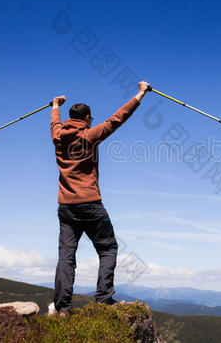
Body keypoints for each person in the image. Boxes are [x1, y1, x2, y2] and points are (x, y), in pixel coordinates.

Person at [49, 81, 151, 315]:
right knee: (108, 248)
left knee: (66, 255)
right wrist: (140, 94)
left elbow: (55, 123)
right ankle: (104, 299)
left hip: (65, 206)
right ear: (86, 119)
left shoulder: (57, 137)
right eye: (90, 119)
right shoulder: (89, 135)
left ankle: (63, 308)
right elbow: (117, 119)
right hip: (90, 205)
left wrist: (55, 105)